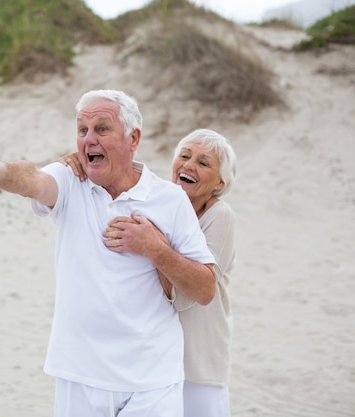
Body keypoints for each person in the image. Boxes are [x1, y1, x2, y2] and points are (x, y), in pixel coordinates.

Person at [0, 90, 216, 417]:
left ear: (133, 138)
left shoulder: (170, 199)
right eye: (82, 130)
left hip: (153, 378)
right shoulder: (69, 180)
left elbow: (206, 289)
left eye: (101, 128)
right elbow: (32, 178)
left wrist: (154, 248)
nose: (88, 139)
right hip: (79, 375)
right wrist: (0, 172)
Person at [61, 128, 237, 417]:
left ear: (220, 181)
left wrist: (156, 244)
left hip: (198, 364)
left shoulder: (220, 216)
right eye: (184, 156)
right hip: (156, 364)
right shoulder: (159, 203)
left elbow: (186, 297)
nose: (189, 165)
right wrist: (81, 165)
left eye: (204, 163)